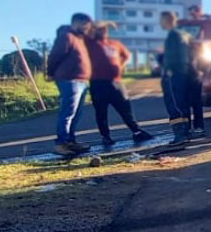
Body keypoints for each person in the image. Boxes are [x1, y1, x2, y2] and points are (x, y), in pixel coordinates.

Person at [85, 23, 154, 145]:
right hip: (98, 83)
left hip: (116, 82)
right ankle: (106, 136)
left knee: (125, 108)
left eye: (106, 29)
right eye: (101, 29)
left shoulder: (115, 44)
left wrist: (120, 65)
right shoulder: (90, 43)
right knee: (101, 111)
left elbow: (126, 55)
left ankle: (136, 131)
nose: (104, 31)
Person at [46, 13, 93, 155]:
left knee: (76, 113)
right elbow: (55, 56)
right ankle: (61, 143)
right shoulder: (66, 36)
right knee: (68, 112)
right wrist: (50, 73)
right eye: (86, 25)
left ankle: (70, 141)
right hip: (70, 80)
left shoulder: (79, 39)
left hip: (82, 81)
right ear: (77, 23)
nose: (87, 28)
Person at [160, 11, 195, 143]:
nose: (160, 23)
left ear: (167, 20)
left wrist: (168, 70)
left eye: (161, 19)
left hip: (174, 74)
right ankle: (186, 132)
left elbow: (172, 56)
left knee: (175, 104)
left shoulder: (173, 35)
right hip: (183, 73)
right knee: (183, 104)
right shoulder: (183, 35)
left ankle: (180, 135)